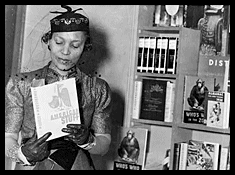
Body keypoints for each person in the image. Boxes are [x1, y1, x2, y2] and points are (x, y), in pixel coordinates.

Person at [5, 5, 112, 170]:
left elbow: (104, 144)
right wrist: (23, 153)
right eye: (59, 42)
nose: (65, 52)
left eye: (75, 46)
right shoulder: (21, 83)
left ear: (86, 47)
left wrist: (88, 140)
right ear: (48, 41)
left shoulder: (97, 88)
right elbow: (8, 138)